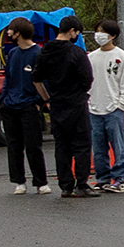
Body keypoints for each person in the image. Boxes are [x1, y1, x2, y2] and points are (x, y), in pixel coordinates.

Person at [34, 15, 94, 198]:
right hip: (76, 103)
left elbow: (36, 78)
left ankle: (66, 185)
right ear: (72, 31)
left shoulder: (45, 51)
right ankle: (81, 184)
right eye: (77, 33)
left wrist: (47, 98)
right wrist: (79, 91)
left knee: (62, 146)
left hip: (56, 104)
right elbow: (87, 79)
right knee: (82, 145)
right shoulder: (76, 53)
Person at [87, 21, 124, 192]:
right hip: (94, 108)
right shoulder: (91, 57)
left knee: (118, 145)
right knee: (98, 148)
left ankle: (120, 179)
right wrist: (88, 102)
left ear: (112, 35)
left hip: (114, 109)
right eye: (97, 31)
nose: (99, 35)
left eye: (103, 32)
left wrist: (122, 105)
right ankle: (103, 179)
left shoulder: (122, 57)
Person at [2, 18, 48, 194]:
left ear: (18, 33)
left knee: (33, 145)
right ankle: (19, 182)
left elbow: (44, 80)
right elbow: (8, 77)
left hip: (29, 106)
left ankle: (41, 182)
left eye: (10, 30)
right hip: (10, 106)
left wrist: (38, 102)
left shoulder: (38, 53)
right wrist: (5, 98)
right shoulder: (13, 53)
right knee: (14, 146)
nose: (8, 33)